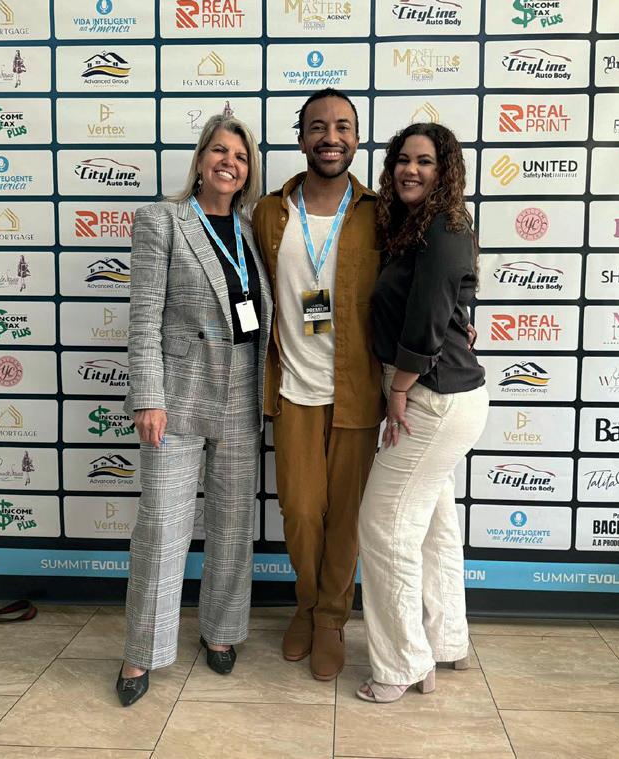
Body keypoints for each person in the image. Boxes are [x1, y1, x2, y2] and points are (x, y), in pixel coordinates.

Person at [117, 114, 272, 706]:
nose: (230, 162)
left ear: (248, 170)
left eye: (241, 155)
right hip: (177, 394)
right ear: (201, 159)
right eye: (220, 151)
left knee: (232, 524)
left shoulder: (253, 229)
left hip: (242, 390)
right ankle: (141, 651)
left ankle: (221, 631)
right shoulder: (162, 219)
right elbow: (142, 318)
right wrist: (147, 396)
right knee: (162, 527)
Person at [252, 89, 384, 681]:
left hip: (358, 391)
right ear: (301, 137)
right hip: (292, 389)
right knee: (302, 512)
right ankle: (306, 605)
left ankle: (332, 618)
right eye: (318, 126)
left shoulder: (380, 212)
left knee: (345, 517)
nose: (331, 137)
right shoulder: (269, 212)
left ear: (357, 137)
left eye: (343, 126)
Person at [356, 122, 489, 703]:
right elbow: (456, 298)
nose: (411, 170)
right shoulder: (420, 225)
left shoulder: (444, 225)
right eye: (403, 160)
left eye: (425, 161)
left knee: (383, 527)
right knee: (434, 526)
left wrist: (398, 391)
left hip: (430, 397)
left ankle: (401, 664)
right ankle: (445, 639)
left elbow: (429, 319)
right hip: (442, 393)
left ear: (445, 170)